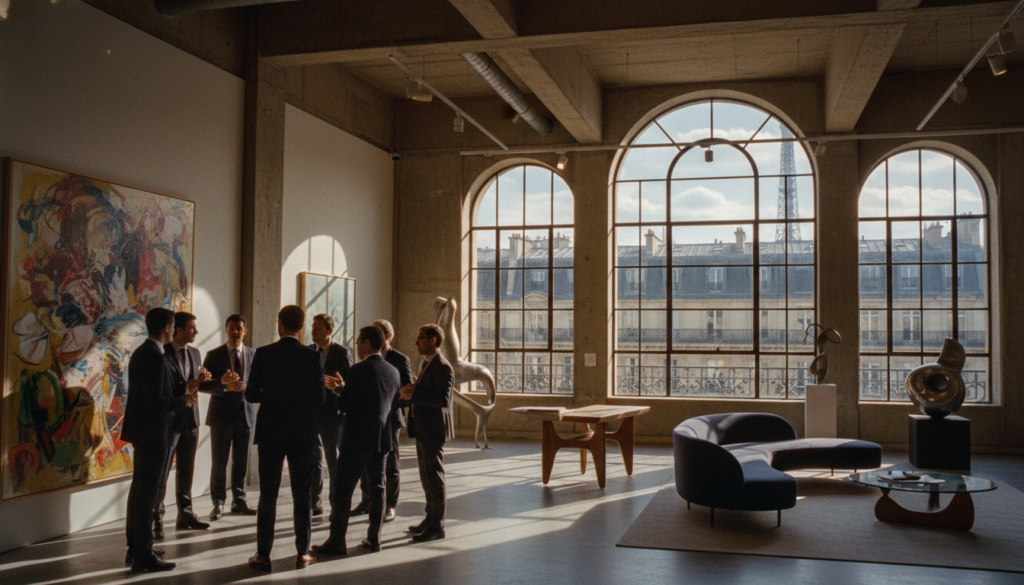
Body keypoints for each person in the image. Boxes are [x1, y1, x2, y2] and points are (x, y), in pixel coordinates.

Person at [245, 305, 325, 571]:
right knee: (302, 494)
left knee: (268, 494)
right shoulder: (313, 357)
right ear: (301, 326)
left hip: (271, 431)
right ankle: (303, 552)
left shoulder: (264, 354)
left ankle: (263, 555)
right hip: (302, 432)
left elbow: (251, 394)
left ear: (280, 323)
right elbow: (319, 399)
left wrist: (274, 395)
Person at [313, 325, 400, 555]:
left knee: (343, 490)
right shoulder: (393, 372)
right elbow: (379, 401)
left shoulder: (359, 369)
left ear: (367, 343)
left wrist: (338, 391)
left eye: (359, 340)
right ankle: (374, 538)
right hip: (381, 439)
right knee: (378, 488)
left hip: (356, 439)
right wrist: (344, 387)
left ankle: (337, 541)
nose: (357, 345)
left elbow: (345, 405)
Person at [122, 307, 197, 572]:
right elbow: (156, 401)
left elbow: (155, 390)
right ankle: (143, 555)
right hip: (154, 433)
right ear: (167, 327)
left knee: (139, 490)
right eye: (174, 324)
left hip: (145, 432)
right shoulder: (155, 355)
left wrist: (184, 387)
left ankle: (137, 546)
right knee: (147, 495)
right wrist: (183, 400)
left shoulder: (145, 352)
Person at [153, 312, 223, 537]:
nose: (197, 332)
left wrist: (221, 384)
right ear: (178, 330)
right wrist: (194, 383)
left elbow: (198, 387)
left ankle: (185, 514)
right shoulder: (161, 353)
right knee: (162, 473)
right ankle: (157, 518)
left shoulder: (195, 353)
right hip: (170, 421)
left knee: (187, 470)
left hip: (190, 420)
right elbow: (167, 389)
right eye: (192, 328)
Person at [352, 319, 411, 522]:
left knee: (390, 466)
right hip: (368, 420)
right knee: (366, 462)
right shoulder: (364, 360)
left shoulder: (400, 360)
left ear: (387, 336)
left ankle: (390, 505)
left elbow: (408, 393)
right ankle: (366, 500)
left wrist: (390, 402)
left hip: (391, 420)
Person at [400, 324, 454, 543]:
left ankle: (437, 525)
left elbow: (442, 400)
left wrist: (415, 393)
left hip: (432, 429)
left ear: (433, 340)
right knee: (426, 476)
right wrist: (412, 393)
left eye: (421, 338)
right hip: (423, 427)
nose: (416, 342)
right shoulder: (428, 363)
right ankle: (430, 517)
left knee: (434, 478)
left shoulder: (443, 366)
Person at [200, 314, 254, 520]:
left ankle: (239, 501)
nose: (235, 332)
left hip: (245, 416)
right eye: (231, 328)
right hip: (221, 417)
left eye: (239, 328)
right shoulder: (213, 355)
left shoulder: (253, 354)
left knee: (241, 462)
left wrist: (248, 387)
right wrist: (223, 385)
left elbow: (258, 383)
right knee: (219, 462)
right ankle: (218, 503)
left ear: (244, 331)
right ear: (226, 330)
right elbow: (203, 385)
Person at [308, 314, 352, 519]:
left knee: (333, 459)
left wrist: (338, 387)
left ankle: (337, 500)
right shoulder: (308, 351)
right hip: (310, 414)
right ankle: (314, 499)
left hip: (332, 415)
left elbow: (349, 386)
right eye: (312, 327)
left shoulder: (342, 352)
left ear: (329, 331)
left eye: (318, 328)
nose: (313, 331)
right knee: (313, 459)